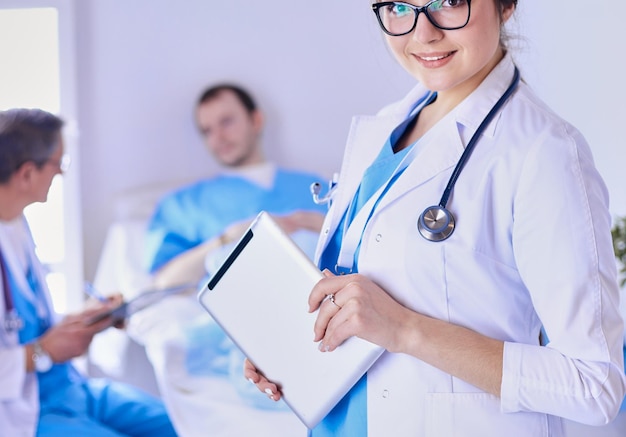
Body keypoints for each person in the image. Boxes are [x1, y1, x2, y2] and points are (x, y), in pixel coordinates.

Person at [245, 1, 626, 436]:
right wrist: (291, 343)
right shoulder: (388, 127)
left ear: (506, 6)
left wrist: (406, 330)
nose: (422, 33)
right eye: (398, 6)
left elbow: (594, 385)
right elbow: (358, 299)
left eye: (450, 2)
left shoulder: (545, 152)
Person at [126, 84, 326, 436]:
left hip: (314, 313)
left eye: (227, 122)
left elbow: (356, 247)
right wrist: (227, 238)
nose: (217, 137)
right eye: (206, 130)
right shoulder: (184, 205)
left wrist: (305, 223)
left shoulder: (315, 189)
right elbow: (164, 282)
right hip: (241, 328)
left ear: (256, 120)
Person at [0, 108, 178, 436]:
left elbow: (26, 323)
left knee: (180, 425)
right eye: (58, 165)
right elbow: (32, 346)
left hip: (67, 388)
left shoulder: (16, 223)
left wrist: (86, 320)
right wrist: (43, 351)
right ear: (27, 174)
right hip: (21, 411)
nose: (61, 175)